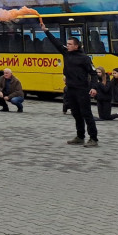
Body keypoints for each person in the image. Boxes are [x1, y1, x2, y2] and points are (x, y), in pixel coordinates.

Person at [40, 18, 98, 147]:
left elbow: (93, 73)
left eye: (70, 44)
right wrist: (46, 31)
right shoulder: (66, 53)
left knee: (86, 114)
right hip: (70, 89)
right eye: (67, 43)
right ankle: (80, 136)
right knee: (76, 113)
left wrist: (94, 88)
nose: (67, 45)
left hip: (82, 89)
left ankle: (93, 138)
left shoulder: (84, 58)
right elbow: (56, 43)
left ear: (76, 46)